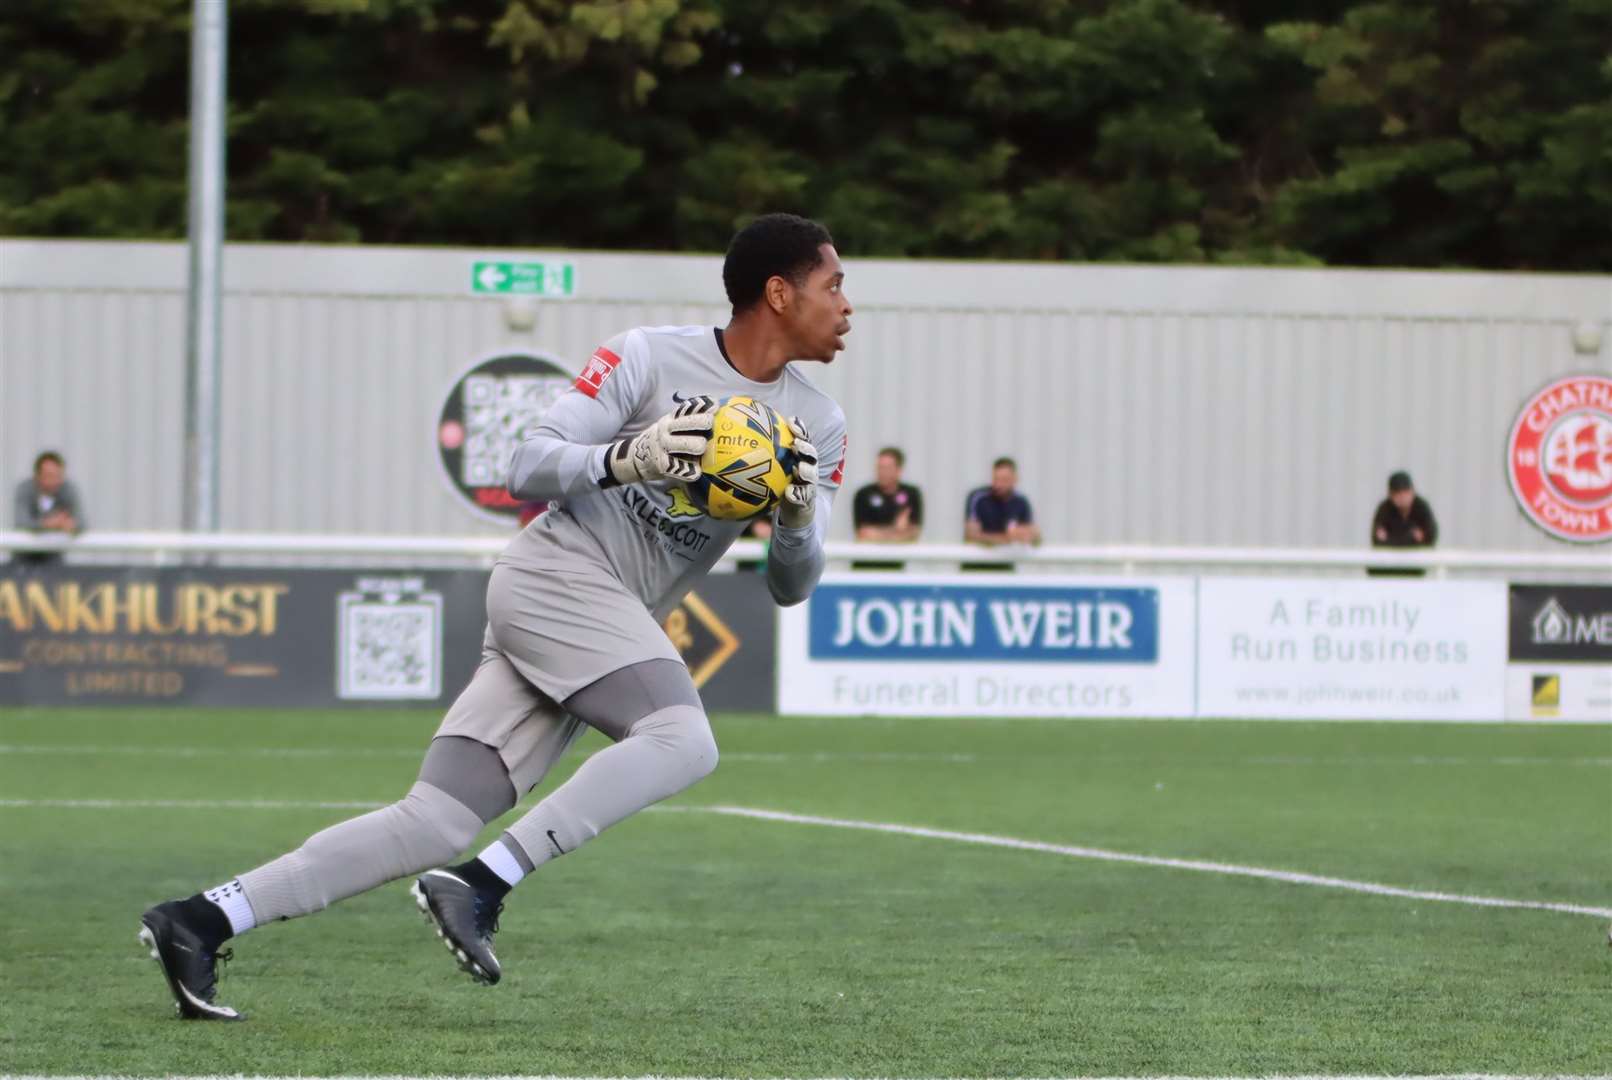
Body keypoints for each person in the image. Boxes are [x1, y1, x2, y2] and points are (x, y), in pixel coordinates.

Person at [137, 213, 853, 1020]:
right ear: (779, 292)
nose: (846, 306)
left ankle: (199, 919)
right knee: (682, 739)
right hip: (556, 574)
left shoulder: (818, 426)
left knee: (433, 821)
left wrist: (796, 517)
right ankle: (481, 885)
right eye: (834, 285)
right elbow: (525, 465)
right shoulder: (647, 355)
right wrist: (630, 456)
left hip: (603, 616)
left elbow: (793, 587)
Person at [851, 446, 922, 570]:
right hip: (865, 565)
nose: (882, 472)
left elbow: (913, 532)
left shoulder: (911, 494)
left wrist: (879, 534)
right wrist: (896, 530)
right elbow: (864, 533)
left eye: (887, 468)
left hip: (895, 566)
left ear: (899, 470)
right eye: (879, 467)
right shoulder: (864, 494)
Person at [12, 451, 87, 565]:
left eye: (57, 476)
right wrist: (47, 524)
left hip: (53, 558)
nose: (53, 481)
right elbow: (21, 523)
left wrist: (71, 525)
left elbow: (82, 523)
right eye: (49, 476)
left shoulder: (68, 490)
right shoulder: (25, 489)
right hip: (23, 558)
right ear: (37, 476)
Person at [1369, 470, 1438, 577]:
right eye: (1397, 493)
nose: (1402, 497)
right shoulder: (1384, 509)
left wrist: (1392, 539)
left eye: (1406, 492)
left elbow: (1430, 537)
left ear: (1412, 492)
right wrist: (1411, 538)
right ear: (1390, 495)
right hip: (1386, 570)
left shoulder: (1421, 507)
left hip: (1415, 568)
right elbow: (1377, 541)